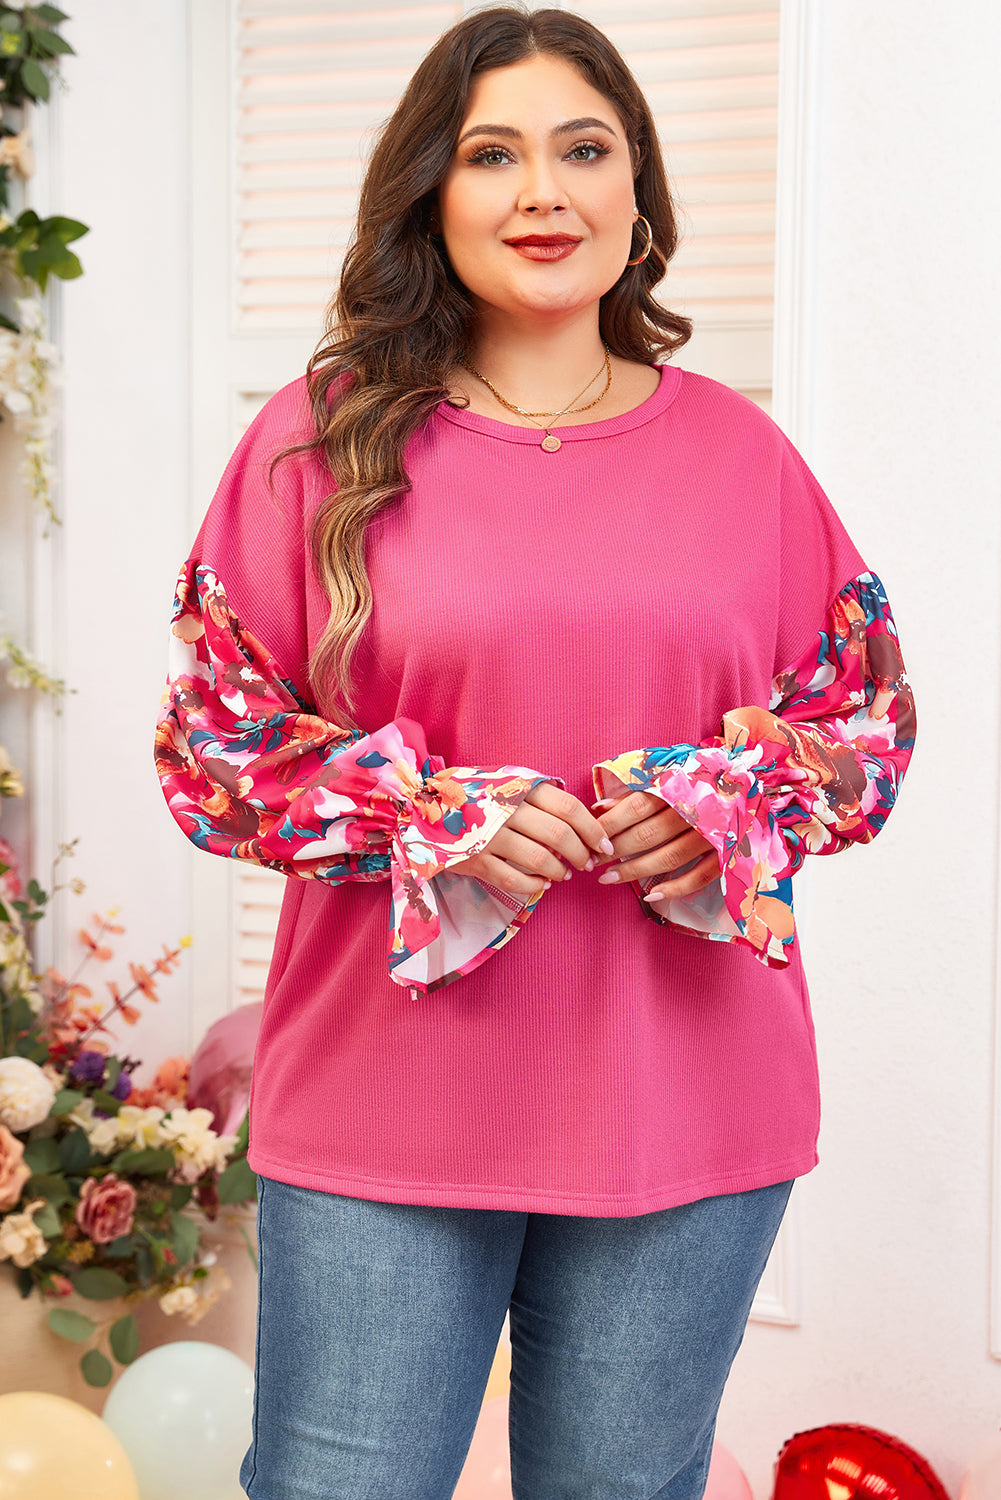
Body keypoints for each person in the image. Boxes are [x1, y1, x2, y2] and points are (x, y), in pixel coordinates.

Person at [154, 8, 915, 1498]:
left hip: (683, 1103)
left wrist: (725, 805)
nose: (543, 193)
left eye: (584, 149)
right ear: (432, 193)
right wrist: (426, 816)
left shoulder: (741, 457)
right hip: (383, 1101)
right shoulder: (316, 443)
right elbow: (211, 744)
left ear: (638, 193)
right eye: (492, 154)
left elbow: (867, 722)